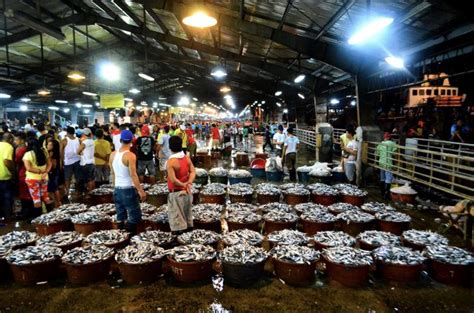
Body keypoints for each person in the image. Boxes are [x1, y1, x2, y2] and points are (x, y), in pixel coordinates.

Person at [110, 130, 146, 234]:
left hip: (117, 189)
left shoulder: (112, 155)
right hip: (128, 190)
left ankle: (121, 237)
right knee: (134, 217)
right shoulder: (130, 155)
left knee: (120, 216)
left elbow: (112, 173)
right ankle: (129, 236)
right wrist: (140, 190)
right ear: (131, 141)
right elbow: (133, 175)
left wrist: (115, 187)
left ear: (120, 140)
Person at [166, 136, 196, 234]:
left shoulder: (171, 161)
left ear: (169, 147)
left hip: (176, 194)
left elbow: (173, 180)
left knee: (178, 221)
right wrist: (189, 183)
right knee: (187, 217)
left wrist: (183, 184)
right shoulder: (186, 157)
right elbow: (193, 171)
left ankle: (181, 243)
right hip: (187, 192)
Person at [23, 137, 53, 211]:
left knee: (36, 198)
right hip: (44, 177)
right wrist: (45, 172)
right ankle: (50, 214)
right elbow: (50, 164)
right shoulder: (44, 151)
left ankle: (39, 219)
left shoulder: (28, 154)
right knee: (45, 196)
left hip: (32, 179)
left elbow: (29, 168)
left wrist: (39, 171)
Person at [14, 132, 35, 219]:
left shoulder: (22, 150)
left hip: (23, 173)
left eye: (16, 139)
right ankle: (26, 211)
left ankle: (27, 212)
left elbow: (17, 161)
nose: (15, 141)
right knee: (27, 194)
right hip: (26, 173)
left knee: (25, 194)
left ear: (22, 140)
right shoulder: (27, 149)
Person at [60, 126, 81, 200]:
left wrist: (61, 162)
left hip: (68, 162)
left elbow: (61, 153)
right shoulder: (79, 140)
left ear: (67, 132)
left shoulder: (64, 140)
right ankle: (78, 191)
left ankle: (67, 192)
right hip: (78, 160)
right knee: (77, 177)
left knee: (67, 178)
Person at [376, 132, 397, 199]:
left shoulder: (380, 144)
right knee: (388, 178)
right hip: (388, 163)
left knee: (382, 177)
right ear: (389, 137)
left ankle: (382, 192)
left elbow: (378, 153)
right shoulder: (392, 143)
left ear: (384, 137)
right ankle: (386, 194)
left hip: (381, 163)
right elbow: (394, 153)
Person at [0, 133, 15, 222]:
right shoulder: (9, 147)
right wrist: (13, 172)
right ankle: (8, 217)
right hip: (5, 176)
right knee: (7, 198)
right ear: (10, 140)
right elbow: (6, 161)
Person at [77, 128, 95, 194]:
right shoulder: (93, 141)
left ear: (84, 134)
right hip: (92, 162)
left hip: (85, 163)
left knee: (88, 180)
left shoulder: (84, 143)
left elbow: (78, 151)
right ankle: (93, 192)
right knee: (92, 179)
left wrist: (80, 153)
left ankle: (89, 193)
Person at [46, 135, 62, 208]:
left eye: (49, 145)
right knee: (55, 189)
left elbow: (54, 165)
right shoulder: (55, 153)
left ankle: (58, 203)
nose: (47, 146)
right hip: (55, 173)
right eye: (47, 144)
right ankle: (58, 203)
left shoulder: (52, 154)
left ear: (53, 146)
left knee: (54, 189)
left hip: (52, 173)